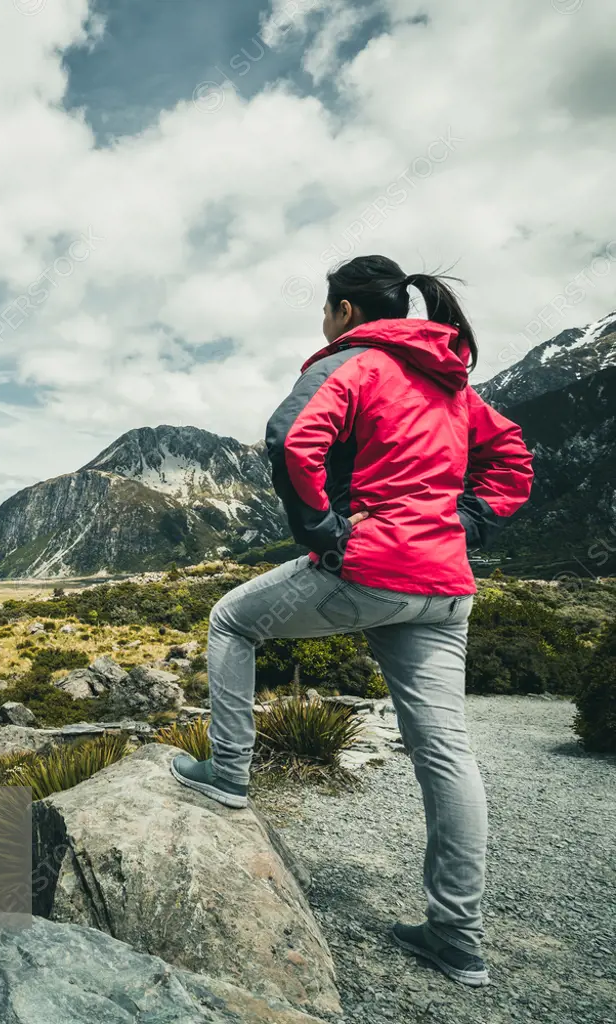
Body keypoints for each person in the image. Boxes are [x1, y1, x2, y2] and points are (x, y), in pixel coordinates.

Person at [170, 254, 534, 987]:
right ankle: (456, 938)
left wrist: (323, 533)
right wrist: (467, 518)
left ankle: (229, 777)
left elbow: (289, 436)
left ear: (343, 310)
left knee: (232, 622)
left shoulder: (359, 362)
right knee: (445, 752)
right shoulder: (451, 380)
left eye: (326, 309)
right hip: (446, 586)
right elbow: (513, 460)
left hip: (373, 567)